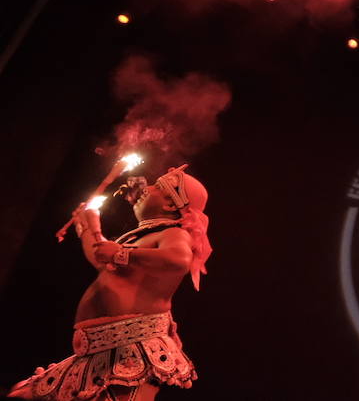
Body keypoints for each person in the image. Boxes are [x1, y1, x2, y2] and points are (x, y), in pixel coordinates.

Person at [9, 166, 212, 401]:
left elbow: (179, 259)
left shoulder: (173, 234)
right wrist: (89, 227)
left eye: (157, 186)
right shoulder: (140, 238)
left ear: (169, 204)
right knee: (23, 394)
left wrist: (121, 254)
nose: (145, 187)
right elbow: (102, 259)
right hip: (97, 350)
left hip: (132, 350)